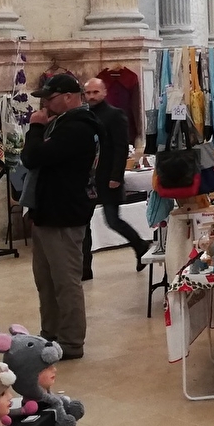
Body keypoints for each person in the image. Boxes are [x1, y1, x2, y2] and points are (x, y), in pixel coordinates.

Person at [21, 74, 100, 358]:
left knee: (66, 282)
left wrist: (35, 129)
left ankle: (70, 342)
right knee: (45, 280)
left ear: (68, 97)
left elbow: (32, 157)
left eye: (50, 98)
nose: (45, 104)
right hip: (47, 212)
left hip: (64, 215)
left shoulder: (76, 127)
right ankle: (50, 333)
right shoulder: (62, 123)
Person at [81, 77, 148, 274]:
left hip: (108, 176)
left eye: (95, 92)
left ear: (104, 92)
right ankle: (85, 268)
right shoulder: (84, 115)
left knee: (112, 220)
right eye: (88, 93)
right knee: (84, 224)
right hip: (88, 179)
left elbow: (120, 147)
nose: (91, 96)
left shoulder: (115, 115)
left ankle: (139, 245)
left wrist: (116, 176)